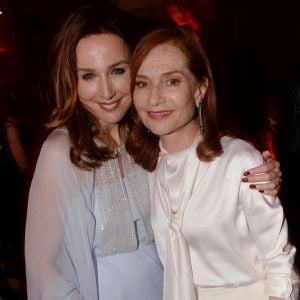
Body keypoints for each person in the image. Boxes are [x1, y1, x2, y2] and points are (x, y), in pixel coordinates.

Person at [25, 3, 282, 300]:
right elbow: (48, 274)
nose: (106, 91)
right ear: (71, 80)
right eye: (89, 76)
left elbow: (209, 180)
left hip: (174, 289)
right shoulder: (62, 151)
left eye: (118, 71)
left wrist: (258, 174)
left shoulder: (151, 135)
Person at [127, 27, 298, 300]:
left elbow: (279, 261)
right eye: (142, 83)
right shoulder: (147, 167)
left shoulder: (238, 161)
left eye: (172, 81)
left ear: (200, 90)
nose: (154, 98)